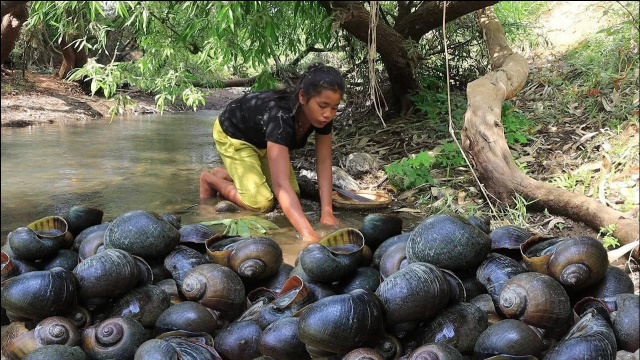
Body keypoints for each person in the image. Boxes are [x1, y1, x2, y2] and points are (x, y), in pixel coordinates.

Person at [199, 62, 345, 243]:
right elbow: (281, 185)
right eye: (323, 105)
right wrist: (308, 234)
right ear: (302, 97)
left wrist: (327, 214)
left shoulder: (323, 118)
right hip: (234, 133)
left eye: (334, 107)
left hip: (264, 140)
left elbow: (324, 163)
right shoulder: (280, 118)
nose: (328, 114)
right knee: (261, 204)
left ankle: (229, 173)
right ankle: (211, 179)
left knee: (294, 197)